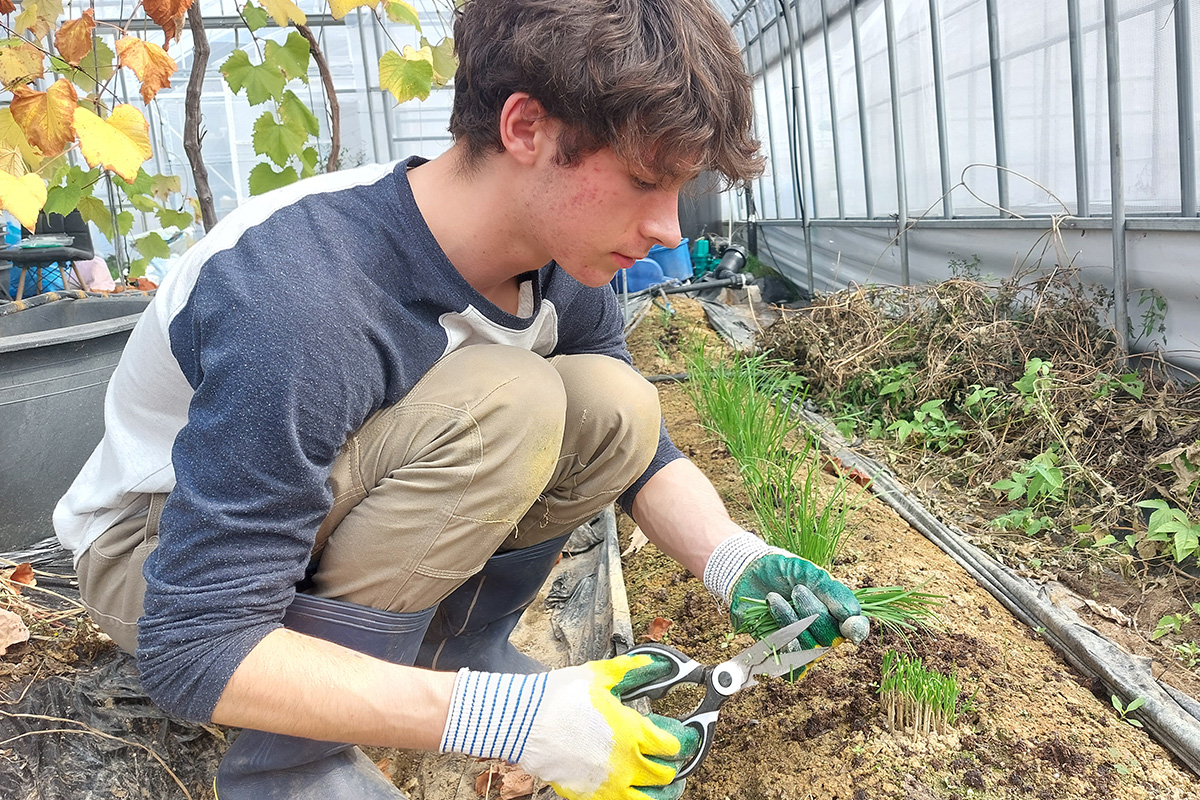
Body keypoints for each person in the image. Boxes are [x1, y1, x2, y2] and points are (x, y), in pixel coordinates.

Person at [53, 1, 868, 798]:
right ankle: (287, 761)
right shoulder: (304, 297)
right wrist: (505, 723)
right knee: (505, 402)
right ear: (526, 129)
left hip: (315, 510)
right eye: (646, 182)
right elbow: (196, 641)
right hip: (160, 557)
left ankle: (459, 652)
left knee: (612, 400)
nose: (669, 230)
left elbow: (637, 449)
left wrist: (732, 557)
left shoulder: (558, 256)